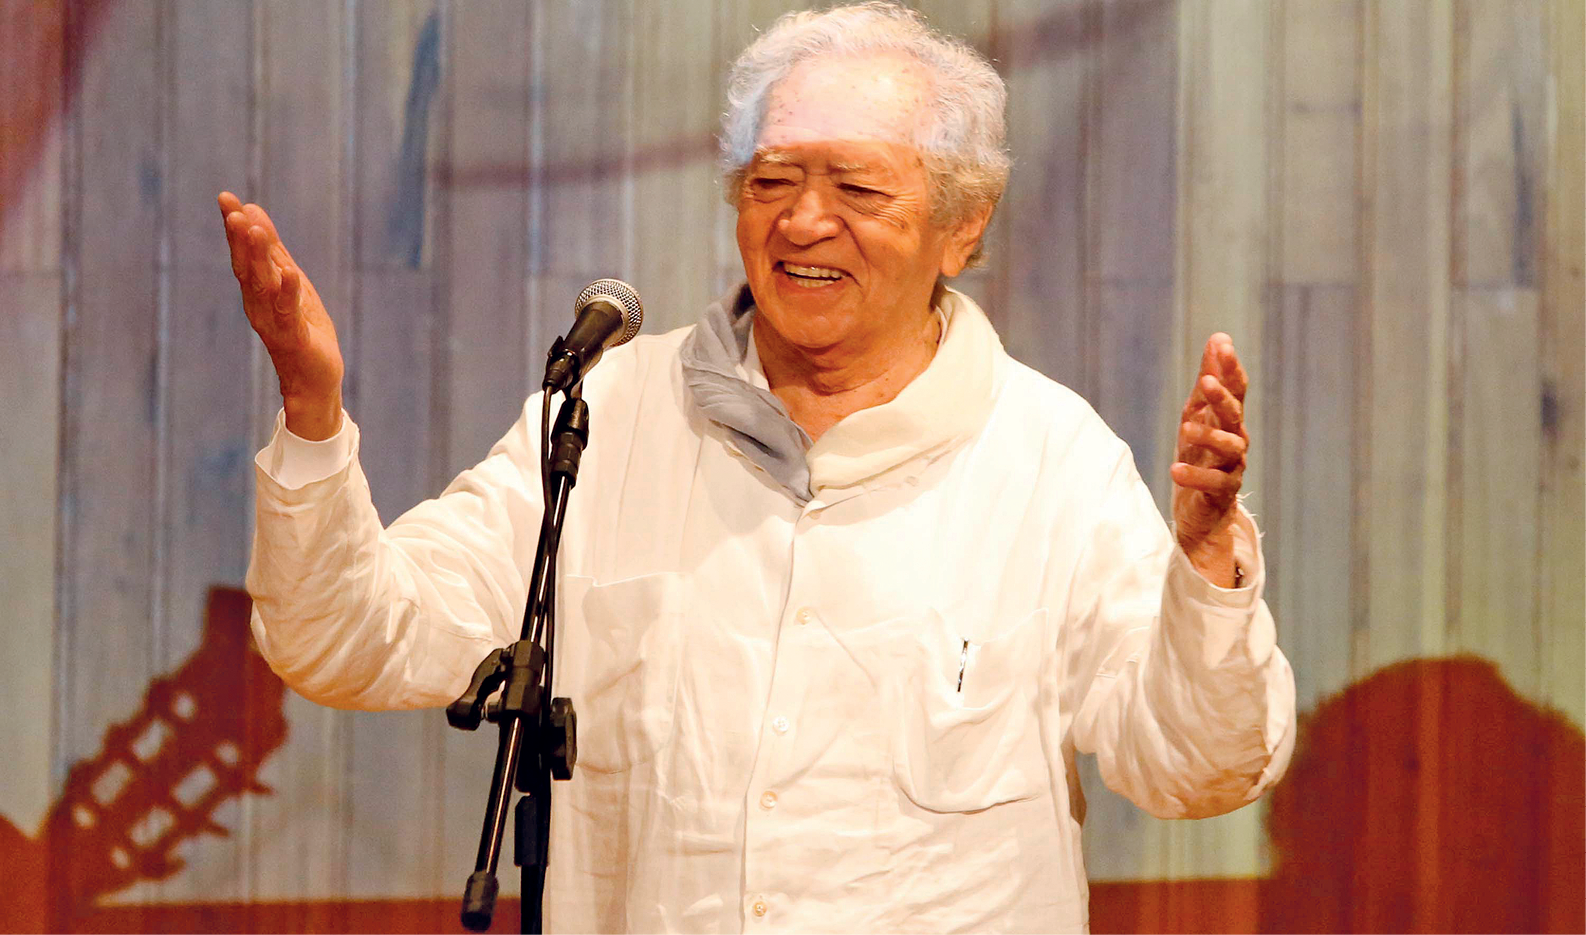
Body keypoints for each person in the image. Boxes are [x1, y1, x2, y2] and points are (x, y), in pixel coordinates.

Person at [222, 3, 1295, 932]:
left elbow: (1194, 765)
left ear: (961, 227)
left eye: (857, 189)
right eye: (771, 178)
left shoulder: (1049, 460)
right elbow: (349, 639)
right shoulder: (601, 415)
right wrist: (313, 412)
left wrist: (1202, 566)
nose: (802, 219)